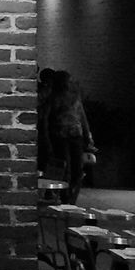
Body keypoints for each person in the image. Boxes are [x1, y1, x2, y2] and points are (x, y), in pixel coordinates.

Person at [45, 70, 96, 203]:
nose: (68, 83)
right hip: (60, 135)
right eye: (67, 81)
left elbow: (82, 117)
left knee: (77, 168)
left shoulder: (75, 97)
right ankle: (65, 196)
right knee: (64, 167)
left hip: (75, 135)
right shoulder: (54, 98)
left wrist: (87, 136)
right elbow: (46, 119)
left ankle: (70, 194)